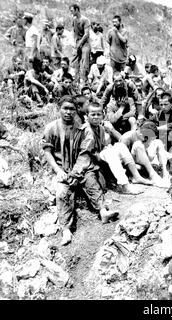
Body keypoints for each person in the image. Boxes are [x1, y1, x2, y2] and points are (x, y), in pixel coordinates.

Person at [42, 96, 117, 246]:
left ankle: (103, 211)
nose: (68, 112)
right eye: (65, 108)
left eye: (72, 109)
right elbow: (47, 152)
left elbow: (84, 154)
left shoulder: (81, 128)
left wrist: (76, 173)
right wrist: (58, 171)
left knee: (92, 182)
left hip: (80, 168)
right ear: (59, 109)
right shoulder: (51, 128)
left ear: (76, 110)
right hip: (62, 168)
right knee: (62, 193)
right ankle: (66, 230)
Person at [120, 122, 170, 187]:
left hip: (145, 163)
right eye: (149, 138)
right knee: (138, 144)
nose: (149, 141)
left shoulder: (143, 137)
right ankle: (153, 176)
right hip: (133, 166)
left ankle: (165, 174)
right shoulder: (126, 138)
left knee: (158, 142)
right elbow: (121, 160)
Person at [69, 4, 91, 83]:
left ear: (77, 10)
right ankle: (76, 81)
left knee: (85, 64)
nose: (71, 12)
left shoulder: (85, 20)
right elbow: (73, 32)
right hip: (77, 43)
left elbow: (86, 34)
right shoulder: (74, 19)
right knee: (75, 63)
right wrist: (74, 43)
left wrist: (80, 44)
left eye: (72, 10)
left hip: (85, 44)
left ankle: (85, 81)